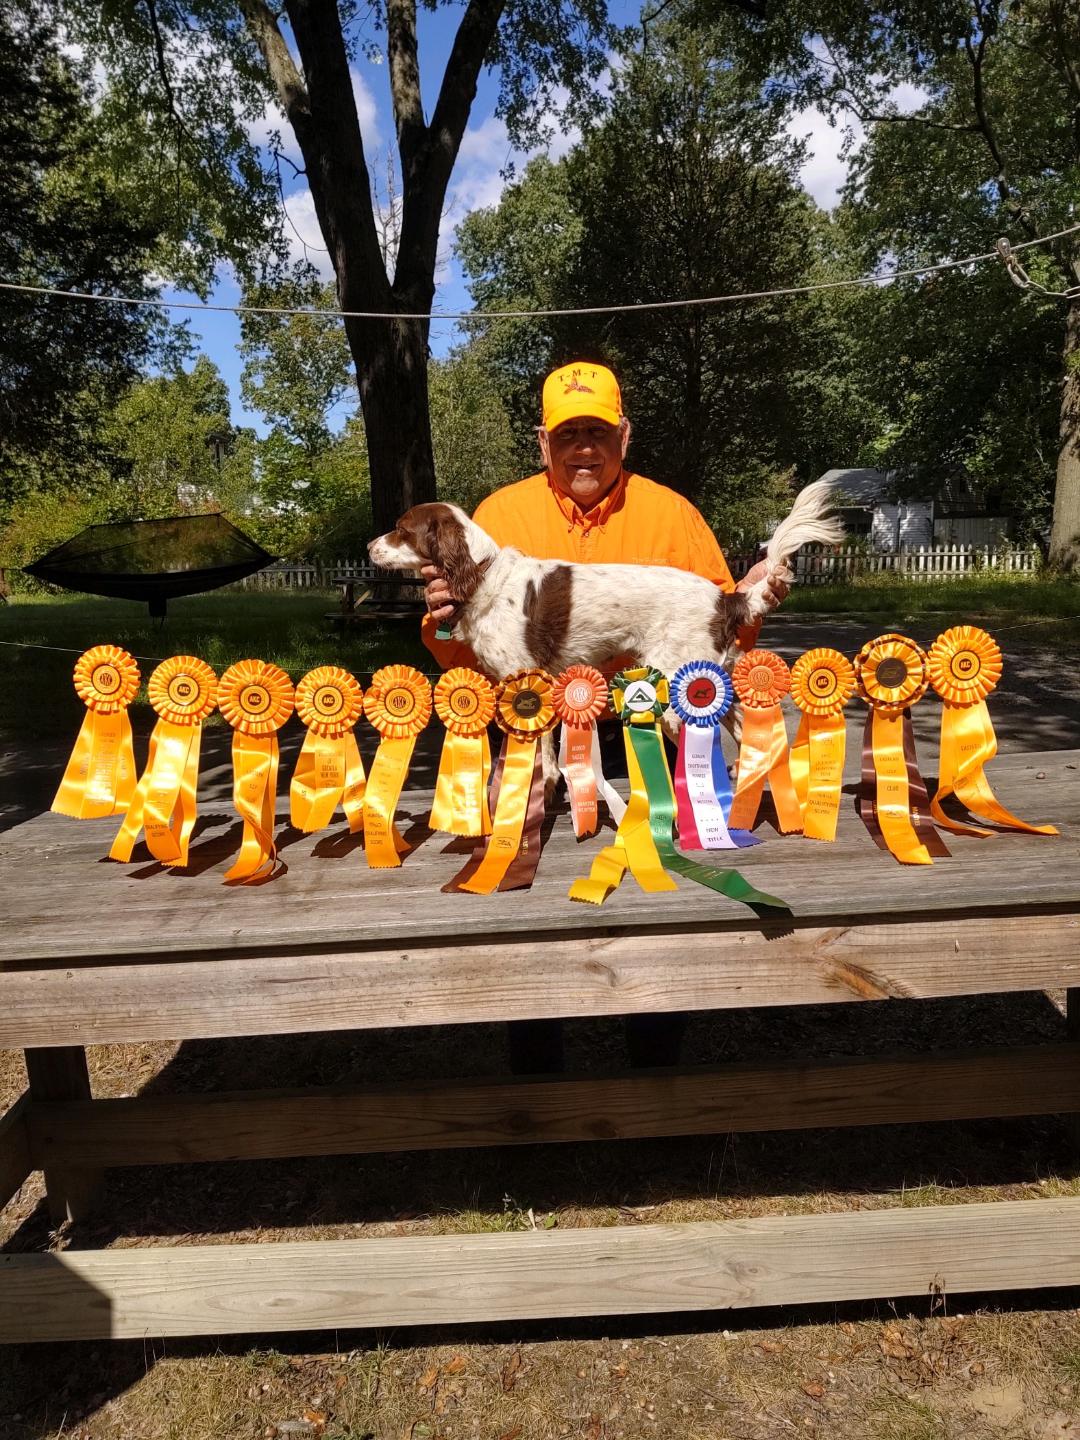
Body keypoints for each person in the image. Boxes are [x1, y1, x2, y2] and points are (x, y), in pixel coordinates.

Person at [421, 361, 789, 1073]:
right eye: (568, 435)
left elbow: (715, 652)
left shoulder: (672, 516)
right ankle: (538, 1073)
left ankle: (655, 1065)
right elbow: (458, 658)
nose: (583, 449)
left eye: (596, 432)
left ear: (623, 434)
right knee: (524, 903)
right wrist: (440, 625)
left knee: (664, 902)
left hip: (647, 747)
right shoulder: (497, 518)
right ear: (542, 443)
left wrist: (753, 597)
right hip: (536, 752)